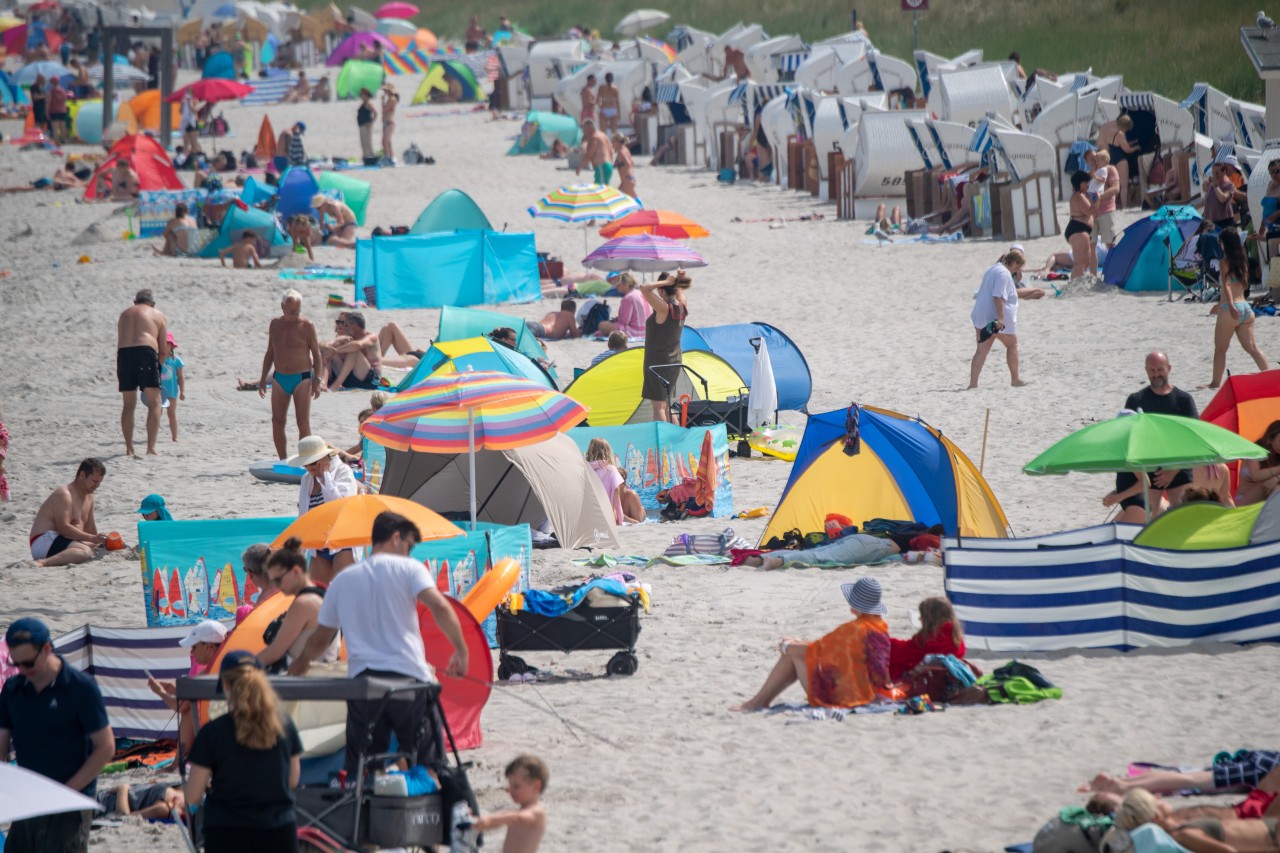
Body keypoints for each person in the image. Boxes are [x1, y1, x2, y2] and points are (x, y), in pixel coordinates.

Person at [289, 511, 470, 778]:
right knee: (429, 765)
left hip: (364, 686)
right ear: (396, 537)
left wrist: (301, 662)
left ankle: (369, 817)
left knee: (365, 771)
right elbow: (440, 606)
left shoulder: (343, 580)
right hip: (409, 681)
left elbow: (322, 637)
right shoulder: (408, 568)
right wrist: (461, 650)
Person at [0, 617, 114, 853]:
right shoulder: (13, 690)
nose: (22, 670)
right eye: (16, 664)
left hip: (70, 802)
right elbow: (1, 742)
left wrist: (66, 791)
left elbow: (105, 748)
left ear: (47, 649)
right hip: (28, 799)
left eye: (28, 663)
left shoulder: (81, 688)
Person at [186, 651, 303, 853]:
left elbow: (193, 795)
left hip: (227, 831)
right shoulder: (285, 726)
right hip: (278, 830)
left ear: (225, 685)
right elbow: (292, 780)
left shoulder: (213, 732)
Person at [730, 577, 891, 711]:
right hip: (869, 692)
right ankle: (758, 702)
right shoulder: (880, 628)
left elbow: (815, 651)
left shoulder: (853, 630)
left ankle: (756, 702)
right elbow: (828, 648)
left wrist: (787, 646)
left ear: (855, 605)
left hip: (849, 697)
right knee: (796, 650)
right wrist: (797, 643)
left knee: (793, 654)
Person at [1126, 351, 1199, 508]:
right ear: (1146, 370)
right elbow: (1130, 437)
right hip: (1149, 468)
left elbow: (1193, 437)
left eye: (1160, 369)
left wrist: (1173, 470)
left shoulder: (1183, 400)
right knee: (1153, 519)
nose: (1156, 374)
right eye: (1152, 370)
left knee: (1182, 515)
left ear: (1169, 368)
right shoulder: (1136, 400)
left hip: (1179, 466)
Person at [257, 538, 342, 672]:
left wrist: (241, 666)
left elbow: (275, 652)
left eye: (278, 580)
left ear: (296, 571)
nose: (277, 586)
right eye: (273, 582)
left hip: (306, 683)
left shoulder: (303, 604)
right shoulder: (322, 596)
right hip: (322, 677)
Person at [259, 289, 324, 460]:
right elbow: (270, 353)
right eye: (290, 311)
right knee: (277, 421)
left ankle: (307, 460)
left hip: (302, 378)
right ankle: (282, 460)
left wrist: (317, 380)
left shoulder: (306, 326)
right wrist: (262, 379)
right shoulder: (275, 324)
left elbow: (317, 354)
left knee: (302, 422)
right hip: (280, 378)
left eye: (297, 310)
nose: (294, 314)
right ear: (282, 307)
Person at [287, 435, 360, 583]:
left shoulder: (343, 471)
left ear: (325, 457)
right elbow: (304, 515)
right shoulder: (306, 479)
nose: (311, 468)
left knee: (345, 591)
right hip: (318, 543)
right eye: (307, 464)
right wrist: (299, 549)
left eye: (314, 462)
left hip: (342, 541)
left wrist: (326, 475)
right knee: (318, 595)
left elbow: (339, 504)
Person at [146, 619, 227, 750]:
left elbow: (182, 707)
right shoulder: (227, 662)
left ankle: (177, 762)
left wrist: (160, 692)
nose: (191, 653)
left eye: (194, 647)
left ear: (209, 647)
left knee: (189, 711)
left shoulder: (208, 673)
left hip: (221, 736)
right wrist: (175, 690)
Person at [1114, 788, 1280, 852]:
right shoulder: (1184, 834)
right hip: (1273, 838)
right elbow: (1228, 852)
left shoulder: (1181, 827)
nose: (1160, 797)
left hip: (1270, 827)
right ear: (1156, 817)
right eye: (1157, 800)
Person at [968, 249, 1039, 388]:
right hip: (994, 318)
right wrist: (1000, 319)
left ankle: (973, 384)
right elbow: (998, 296)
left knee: (981, 351)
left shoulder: (993, 268)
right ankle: (1015, 379)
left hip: (981, 316)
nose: (1016, 271)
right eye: (1017, 268)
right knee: (1012, 345)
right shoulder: (1004, 274)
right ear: (1013, 263)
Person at [1207, 229, 1269, 389]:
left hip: (1231, 308)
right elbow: (1240, 287)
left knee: (1220, 349)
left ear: (1224, 243)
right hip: (1246, 308)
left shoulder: (1224, 262)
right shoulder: (1243, 262)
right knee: (1253, 348)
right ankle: (1269, 375)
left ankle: (1214, 383)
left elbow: (1226, 285)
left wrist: (1229, 305)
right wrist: (1222, 304)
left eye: (1220, 242)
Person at [118, 289, 169, 456]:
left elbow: (121, 340)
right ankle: (150, 448)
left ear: (135, 302)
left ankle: (129, 448)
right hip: (146, 352)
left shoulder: (124, 314)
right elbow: (163, 350)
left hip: (124, 354)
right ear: (152, 304)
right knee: (155, 403)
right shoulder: (158, 314)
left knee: (128, 404)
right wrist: (158, 367)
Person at [28, 458, 107, 566]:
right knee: (85, 552)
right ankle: (42, 563)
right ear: (82, 475)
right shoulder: (65, 494)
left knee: (104, 547)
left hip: (67, 541)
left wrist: (99, 539)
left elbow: (90, 530)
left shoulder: (90, 497)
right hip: (44, 541)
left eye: (100, 482)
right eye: (94, 481)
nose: (97, 486)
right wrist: (92, 538)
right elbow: (63, 529)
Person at [469, 755, 550, 853]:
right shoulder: (517, 812)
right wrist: (478, 821)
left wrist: (490, 820)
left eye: (516, 786)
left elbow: (516, 818)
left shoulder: (537, 813)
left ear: (536, 786)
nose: (511, 790)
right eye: (510, 785)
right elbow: (505, 818)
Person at [640, 271, 691, 422]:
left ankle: (662, 442)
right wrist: (678, 279)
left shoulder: (664, 309)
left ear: (662, 290)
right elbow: (679, 292)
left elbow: (643, 288)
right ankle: (675, 439)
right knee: (667, 406)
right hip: (674, 361)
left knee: (658, 408)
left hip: (657, 362)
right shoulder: (681, 306)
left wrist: (664, 282)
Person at [888, 597, 966, 682]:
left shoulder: (928, 640)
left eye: (922, 616)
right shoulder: (956, 637)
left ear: (930, 619)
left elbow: (903, 652)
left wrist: (883, 640)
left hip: (930, 684)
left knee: (892, 662)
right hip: (950, 682)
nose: (919, 619)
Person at [740, 532, 906, 570]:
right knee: (820, 556)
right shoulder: (928, 541)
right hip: (874, 546)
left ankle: (758, 559)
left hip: (866, 541)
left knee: (822, 550)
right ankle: (777, 561)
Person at [585, 438, 644, 524]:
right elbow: (616, 489)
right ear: (607, 452)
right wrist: (612, 510)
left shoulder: (586, 469)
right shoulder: (610, 469)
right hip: (607, 512)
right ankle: (643, 511)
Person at [323, 311, 382, 390]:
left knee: (354, 351)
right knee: (329, 351)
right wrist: (336, 342)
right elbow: (322, 345)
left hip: (371, 381)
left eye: (346, 325)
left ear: (354, 326)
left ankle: (335, 385)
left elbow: (358, 345)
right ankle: (323, 383)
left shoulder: (371, 337)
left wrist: (336, 350)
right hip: (353, 378)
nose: (344, 328)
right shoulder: (349, 337)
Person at [1098, 114, 1140, 208]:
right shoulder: (1121, 134)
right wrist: (1136, 147)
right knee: (1123, 186)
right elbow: (1127, 150)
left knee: (1113, 185)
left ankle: (1113, 205)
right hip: (1120, 160)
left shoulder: (1111, 132)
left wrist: (1131, 143)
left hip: (1111, 159)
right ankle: (1124, 206)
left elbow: (1116, 145)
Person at [1089, 149, 1121, 259]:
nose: (1095, 161)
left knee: (1110, 244)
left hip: (1106, 211)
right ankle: (1093, 275)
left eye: (1097, 159)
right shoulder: (1092, 172)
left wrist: (1098, 198)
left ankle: (1116, 270)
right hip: (1092, 213)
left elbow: (1115, 189)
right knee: (1091, 246)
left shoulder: (1110, 170)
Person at [596, 273, 650, 338]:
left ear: (626, 285)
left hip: (635, 332)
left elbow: (624, 321)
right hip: (646, 330)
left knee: (602, 325)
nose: (616, 287)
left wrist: (616, 321)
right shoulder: (640, 293)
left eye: (618, 285)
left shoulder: (628, 298)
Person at [97, 781, 184, 820]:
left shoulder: (164, 808)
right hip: (103, 794)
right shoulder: (183, 788)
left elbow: (124, 817)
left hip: (102, 803)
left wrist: (122, 789)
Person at [1065, 171, 1095, 280]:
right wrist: (1097, 199)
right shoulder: (1079, 196)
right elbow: (1090, 211)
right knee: (1080, 263)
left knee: (1085, 261)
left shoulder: (1081, 195)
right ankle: (1074, 286)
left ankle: (1077, 284)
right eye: (1086, 182)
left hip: (1081, 229)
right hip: (1078, 230)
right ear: (1079, 183)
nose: (1088, 184)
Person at [158, 331, 186, 442]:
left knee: (171, 414)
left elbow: (181, 377)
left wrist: (183, 391)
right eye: (163, 344)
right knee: (156, 414)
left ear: (172, 346)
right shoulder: (156, 359)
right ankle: (153, 435)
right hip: (158, 391)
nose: (165, 346)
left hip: (172, 391)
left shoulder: (176, 361)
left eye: (167, 343)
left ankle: (174, 437)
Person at [576, 119, 614, 186]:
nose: (583, 132)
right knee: (604, 189)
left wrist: (579, 168)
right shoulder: (603, 135)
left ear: (589, 128)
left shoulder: (594, 138)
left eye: (584, 129)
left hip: (601, 167)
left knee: (600, 189)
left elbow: (589, 155)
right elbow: (610, 150)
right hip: (608, 166)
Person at [1203, 161, 1238, 230]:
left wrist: (1216, 186)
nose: (1215, 175)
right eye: (1213, 173)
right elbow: (1208, 203)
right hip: (1212, 222)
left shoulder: (1229, 185)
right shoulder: (1211, 186)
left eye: (1217, 173)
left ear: (1224, 172)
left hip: (1225, 222)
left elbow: (1222, 199)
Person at [357, 87, 377, 162]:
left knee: (367, 142)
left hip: (366, 125)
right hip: (361, 125)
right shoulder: (363, 104)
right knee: (363, 143)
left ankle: (370, 156)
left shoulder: (368, 104)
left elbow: (375, 113)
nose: (362, 96)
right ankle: (365, 156)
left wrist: (371, 122)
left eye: (363, 95)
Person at [613, 132, 636, 197]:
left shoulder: (621, 152)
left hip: (627, 180)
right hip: (627, 180)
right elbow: (632, 162)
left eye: (613, 142)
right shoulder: (625, 149)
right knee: (618, 197)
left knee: (634, 199)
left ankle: (642, 207)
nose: (612, 144)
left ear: (618, 142)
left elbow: (628, 163)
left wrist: (622, 169)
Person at [47, 78, 69, 144]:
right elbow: (65, 100)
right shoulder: (63, 91)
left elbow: (48, 103)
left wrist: (46, 112)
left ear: (52, 83)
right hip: (63, 110)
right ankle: (64, 140)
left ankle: (56, 141)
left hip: (54, 111)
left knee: (55, 128)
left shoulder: (51, 92)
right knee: (63, 127)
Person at [381, 84, 399, 164]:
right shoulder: (391, 99)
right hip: (387, 122)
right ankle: (390, 156)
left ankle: (388, 157)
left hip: (389, 122)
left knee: (385, 141)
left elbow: (384, 110)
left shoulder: (392, 99)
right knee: (386, 141)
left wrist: (382, 101)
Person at [181, 91, 201, 155]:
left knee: (194, 143)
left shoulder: (195, 100)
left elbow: (196, 110)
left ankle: (196, 156)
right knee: (186, 143)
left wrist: (190, 103)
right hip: (186, 122)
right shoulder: (184, 101)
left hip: (194, 122)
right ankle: (186, 156)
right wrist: (182, 104)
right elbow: (180, 111)